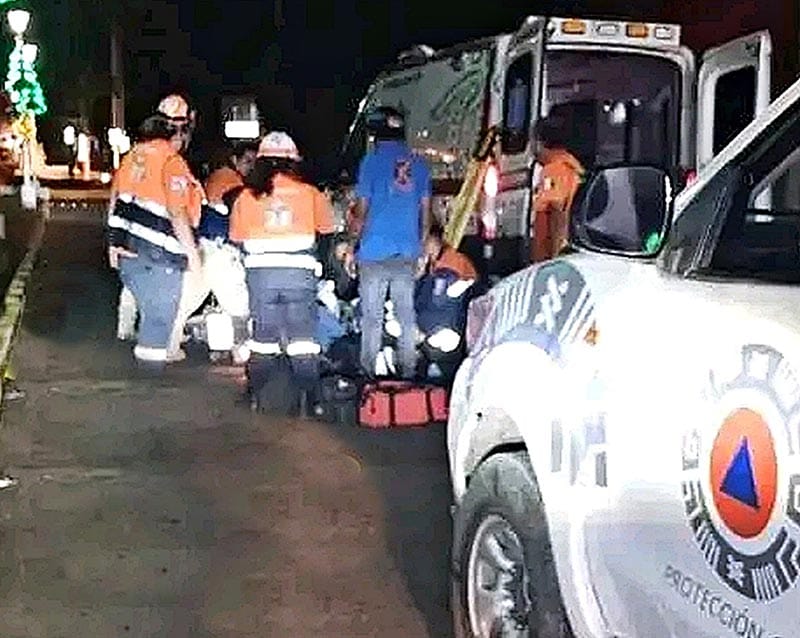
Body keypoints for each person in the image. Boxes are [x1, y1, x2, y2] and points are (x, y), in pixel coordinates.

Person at [229, 131, 335, 415]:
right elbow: (326, 233)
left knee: (263, 340)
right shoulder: (310, 194)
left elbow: (236, 239)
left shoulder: (246, 197)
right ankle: (310, 401)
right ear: (293, 162)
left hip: (261, 279)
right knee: (303, 341)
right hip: (300, 277)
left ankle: (254, 394)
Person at [106, 94, 203, 374]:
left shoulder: (134, 156)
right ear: (179, 130)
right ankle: (148, 384)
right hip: (159, 257)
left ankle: (146, 374)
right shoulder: (171, 162)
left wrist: (112, 243)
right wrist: (194, 257)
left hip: (131, 253)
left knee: (151, 319)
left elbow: (116, 200)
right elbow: (177, 213)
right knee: (158, 324)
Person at [353, 106, 431, 380]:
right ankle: (408, 373)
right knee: (406, 316)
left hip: (373, 251)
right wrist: (422, 250)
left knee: (372, 318)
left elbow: (362, 210)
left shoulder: (370, 162)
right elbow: (426, 212)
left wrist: (353, 244)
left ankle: (368, 375)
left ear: (374, 134)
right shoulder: (419, 164)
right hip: (407, 251)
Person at [166, 141, 257, 363]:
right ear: (234, 160)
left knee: (187, 301)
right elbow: (239, 206)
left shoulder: (219, 177)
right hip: (220, 251)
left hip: (203, 246)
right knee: (238, 304)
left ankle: (169, 346)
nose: (251, 166)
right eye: (247, 161)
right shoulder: (229, 179)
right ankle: (241, 349)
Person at [531, 118, 585, 263]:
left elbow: (557, 210)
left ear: (541, 143)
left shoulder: (554, 170)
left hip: (550, 255)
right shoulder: (571, 167)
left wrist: (555, 255)